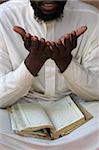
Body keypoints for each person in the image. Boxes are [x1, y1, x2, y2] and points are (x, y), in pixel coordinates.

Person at [0, 0, 99, 149]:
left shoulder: (92, 18)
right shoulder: (4, 17)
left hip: (78, 106)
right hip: (18, 106)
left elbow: (96, 91)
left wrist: (66, 62)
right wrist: (32, 64)